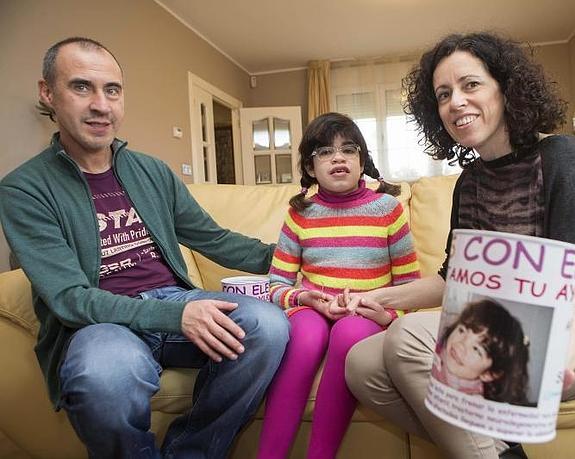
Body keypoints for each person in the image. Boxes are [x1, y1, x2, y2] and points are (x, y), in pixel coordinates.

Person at [0, 37, 290, 459]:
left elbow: (212, 238)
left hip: (175, 298)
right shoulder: (24, 190)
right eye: (82, 87)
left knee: (269, 325)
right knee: (103, 377)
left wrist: (299, 255)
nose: (101, 105)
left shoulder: (152, 171)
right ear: (48, 93)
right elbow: (68, 299)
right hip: (99, 323)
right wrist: (175, 315)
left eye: (112, 90)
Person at [344, 32, 575, 459]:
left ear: (506, 88)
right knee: (361, 364)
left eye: (471, 85)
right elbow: (452, 280)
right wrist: (372, 296)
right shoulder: (468, 184)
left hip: (552, 341)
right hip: (487, 335)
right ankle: (501, 448)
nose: (456, 103)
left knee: (407, 336)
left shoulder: (559, 157)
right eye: (444, 94)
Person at [257, 112, 421, 458]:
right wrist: (306, 297)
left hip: (365, 313)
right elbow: (276, 285)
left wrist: (386, 313)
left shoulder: (388, 210)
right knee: (305, 338)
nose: (338, 158)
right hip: (313, 308)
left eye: (349, 149)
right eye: (325, 152)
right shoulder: (300, 213)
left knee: (347, 335)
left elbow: (410, 286)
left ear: (362, 161)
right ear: (309, 167)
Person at [432, 299, 529, 405]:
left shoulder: (474, 402)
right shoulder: (437, 349)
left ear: (489, 374)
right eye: (462, 330)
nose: (461, 344)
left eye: (476, 349)